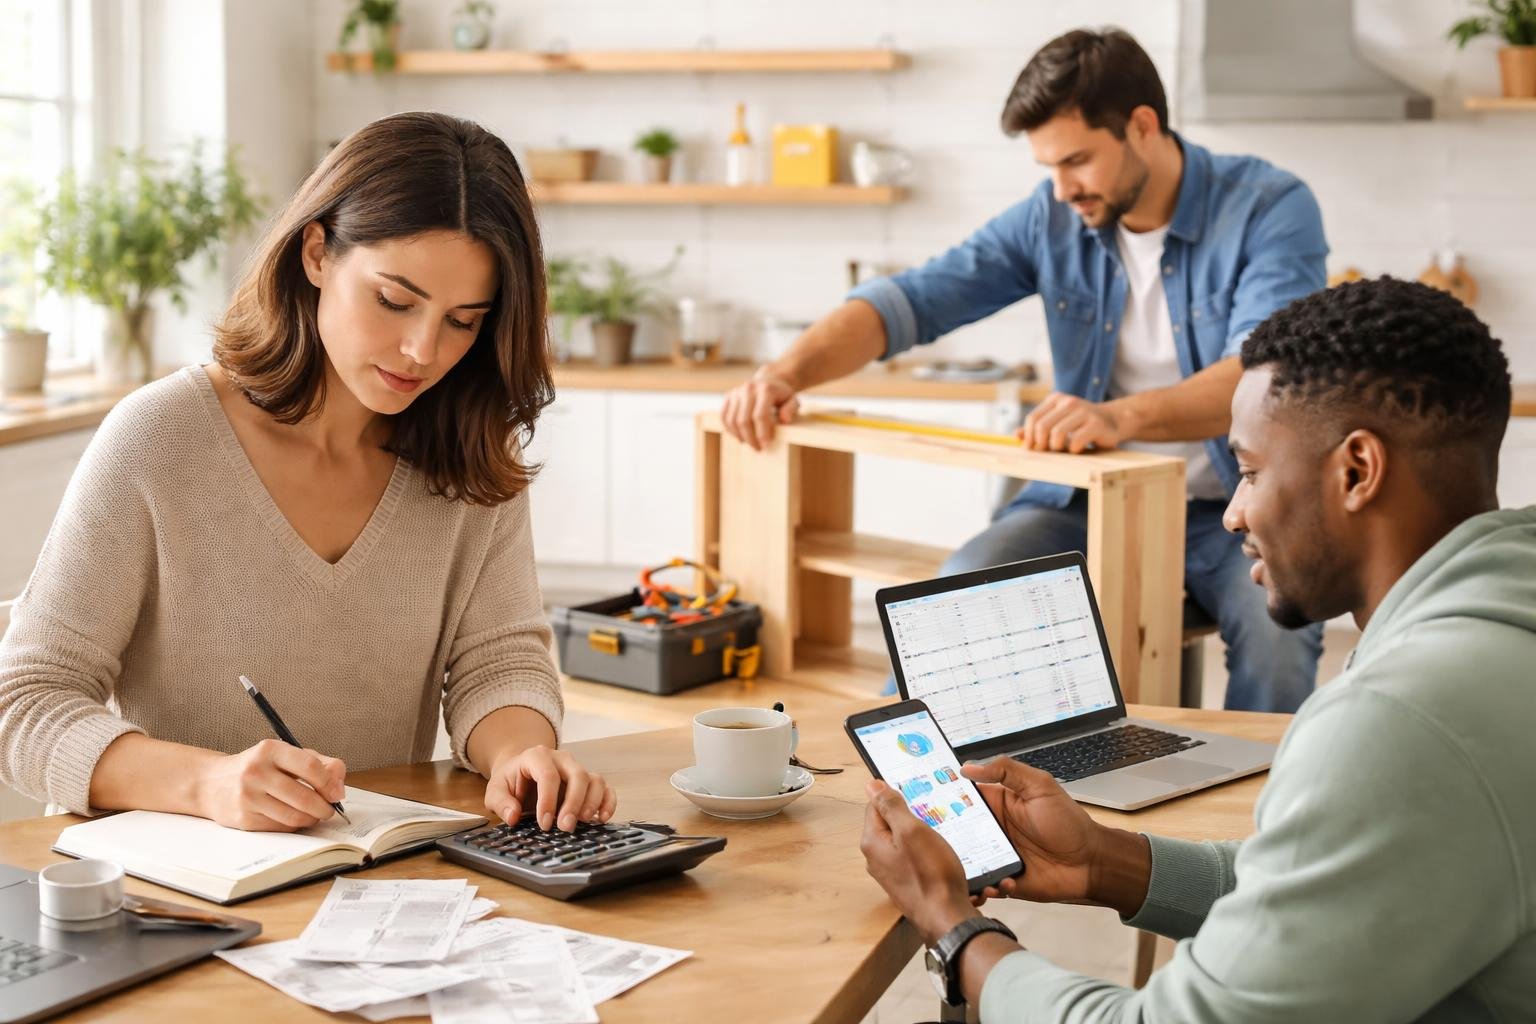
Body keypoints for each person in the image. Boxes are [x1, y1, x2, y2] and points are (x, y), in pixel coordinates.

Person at [859, 278, 1536, 1020]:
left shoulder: (1401, 720)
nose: (1236, 513)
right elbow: (1333, 888)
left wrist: (956, 929)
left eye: (1247, 471)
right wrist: (1099, 861)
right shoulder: (1497, 638)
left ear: (1357, 471)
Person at [0, 111, 614, 835]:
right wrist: (208, 783)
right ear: (317, 254)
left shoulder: (469, 452)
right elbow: (26, 703)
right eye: (394, 300)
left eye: (463, 320)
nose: (421, 349)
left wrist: (522, 754)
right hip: (167, 896)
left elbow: (498, 658)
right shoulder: (160, 438)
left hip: (370, 885)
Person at [720, 28, 1327, 712]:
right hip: (1084, 506)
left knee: (1282, 637)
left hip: (1238, 510)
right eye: (1049, 168)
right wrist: (785, 374)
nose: (1063, 188)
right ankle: (900, 799)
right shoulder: (1052, 216)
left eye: (1077, 160)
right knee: (953, 597)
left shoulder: (1269, 207)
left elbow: (1262, 380)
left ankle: (1262, 818)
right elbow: (910, 302)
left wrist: (1115, 417)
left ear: (1142, 125)